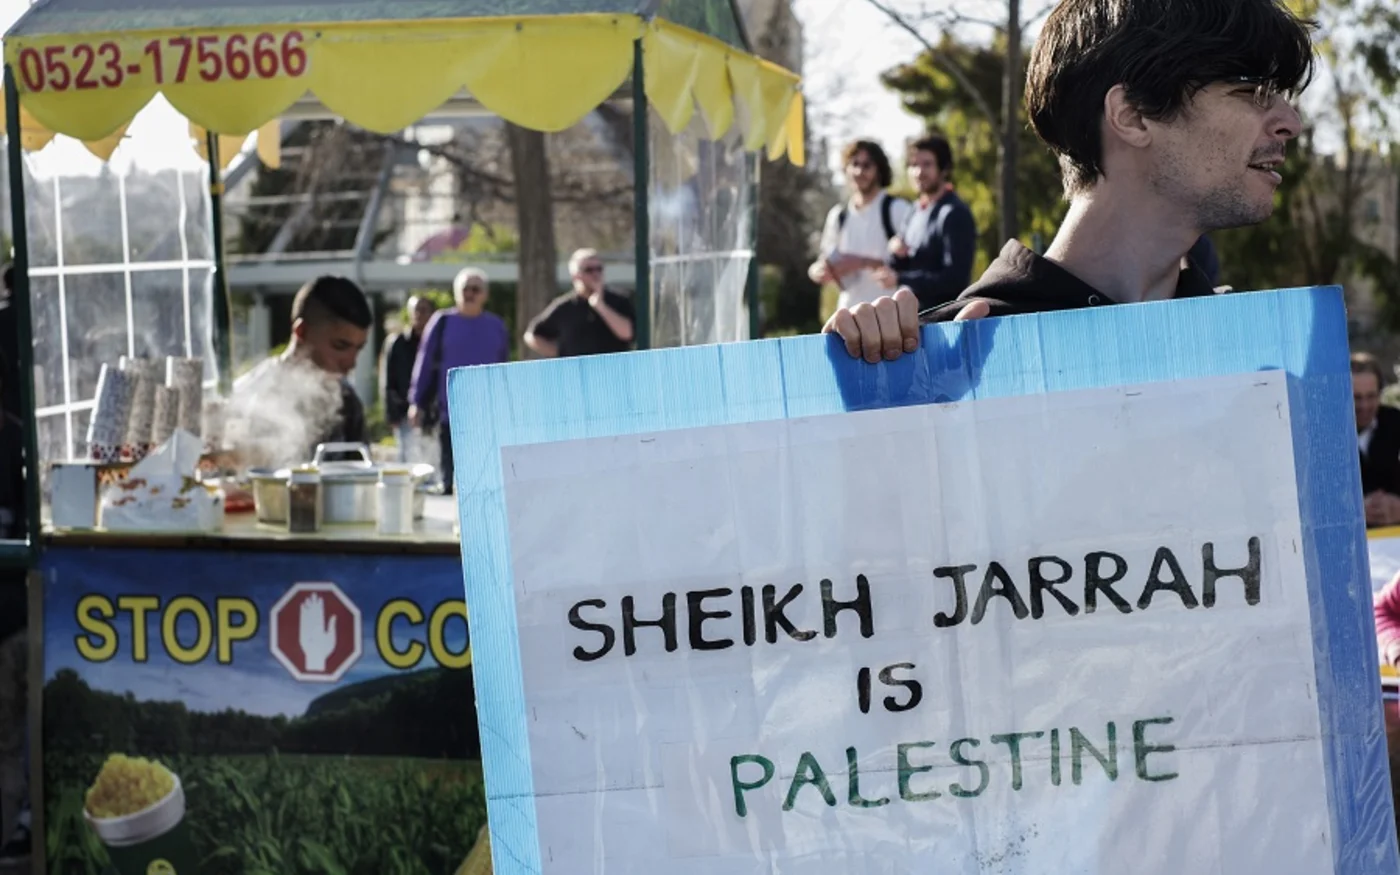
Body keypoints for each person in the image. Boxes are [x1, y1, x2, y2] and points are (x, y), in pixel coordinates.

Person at [823, 0, 1312, 363]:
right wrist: (862, 385)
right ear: (1134, 115)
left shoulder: (1247, 353)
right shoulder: (959, 351)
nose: (1291, 121)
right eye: (1254, 90)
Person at [227, 275, 372, 469]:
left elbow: (360, 480)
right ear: (301, 332)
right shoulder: (251, 394)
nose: (351, 363)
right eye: (340, 346)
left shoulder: (348, 403)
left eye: (358, 349)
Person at [408, 268, 510, 495]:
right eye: (465, 288)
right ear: (456, 292)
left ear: (485, 294)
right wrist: (416, 401)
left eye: (476, 289)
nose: (470, 293)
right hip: (449, 409)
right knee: (449, 482)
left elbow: (503, 367)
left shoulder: (496, 326)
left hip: (486, 412)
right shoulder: (442, 322)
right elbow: (424, 362)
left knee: (483, 480)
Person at [872, 135, 977, 311]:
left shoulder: (955, 213)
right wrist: (896, 253)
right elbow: (901, 265)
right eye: (913, 165)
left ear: (944, 169)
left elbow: (955, 279)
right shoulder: (914, 211)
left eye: (927, 164)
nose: (919, 172)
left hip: (944, 322)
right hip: (913, 319)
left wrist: (901, 279)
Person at [810, 140, 914, 311]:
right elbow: (824, 259)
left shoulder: (897, 208)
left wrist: (863, 262)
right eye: (854, 164)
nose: (859, 171)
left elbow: (915, 264)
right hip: (848, 315)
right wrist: (818, 271)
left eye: (867, 165)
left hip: (889, 315)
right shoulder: (838, 216)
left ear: (879, 170)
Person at [524, 249, 635, 358]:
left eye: (599, 269)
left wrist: (600, 305)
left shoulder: (619, 300)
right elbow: (532, 335)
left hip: (613, 371)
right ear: (575, 275)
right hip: (577, 372)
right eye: (589, 270)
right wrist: (560, 353)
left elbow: (627, 333)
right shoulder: (564, 306)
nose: (595, 274)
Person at [382, 294, 434, 462]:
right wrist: (392, 413)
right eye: (417, 309)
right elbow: (388, 379)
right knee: (407, 457)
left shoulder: (437, 344)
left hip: (432, 412)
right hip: (404, 410)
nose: (420, 314)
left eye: (424, 310)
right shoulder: (397, 343)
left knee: (432, 457)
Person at [1353, 352, 1400, 528]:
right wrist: (1356, 510)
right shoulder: (1325, 436)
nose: (1364, 406)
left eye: (1371, 396)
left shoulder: (1395, 422)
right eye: (1356, 398)